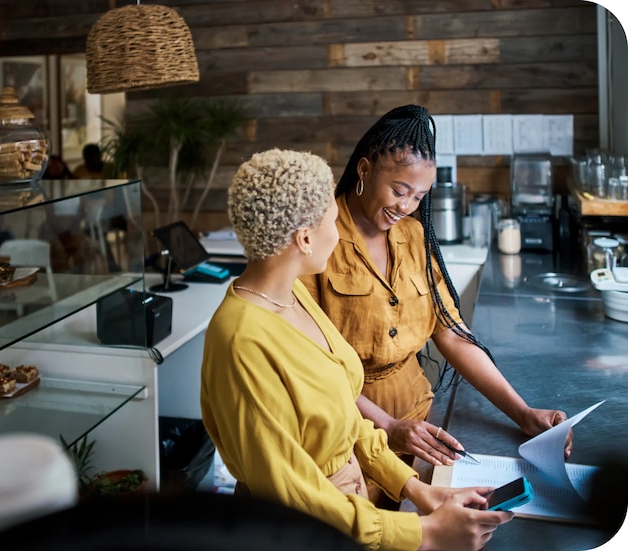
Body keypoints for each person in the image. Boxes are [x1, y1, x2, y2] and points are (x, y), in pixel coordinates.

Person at [200, 148, 513, 551]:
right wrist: (426, 534)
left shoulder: (290, 294)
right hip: (301, 533)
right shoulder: (241, 339)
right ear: (305, 238)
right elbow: (294, 494)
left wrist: (417, 489)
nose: (340, 231)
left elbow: (342, 417)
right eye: (333, 220)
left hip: (346, 516)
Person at [299, 105, 570, 476]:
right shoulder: (317, 241)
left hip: (418, 420)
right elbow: (309, 366)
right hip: (347, 430)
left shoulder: (413, 236)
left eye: (419, 197)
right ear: (364, 170)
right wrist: (388, 428)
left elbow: (452, 333)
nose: (406, 206)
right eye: (399, 190)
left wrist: (523, 413)